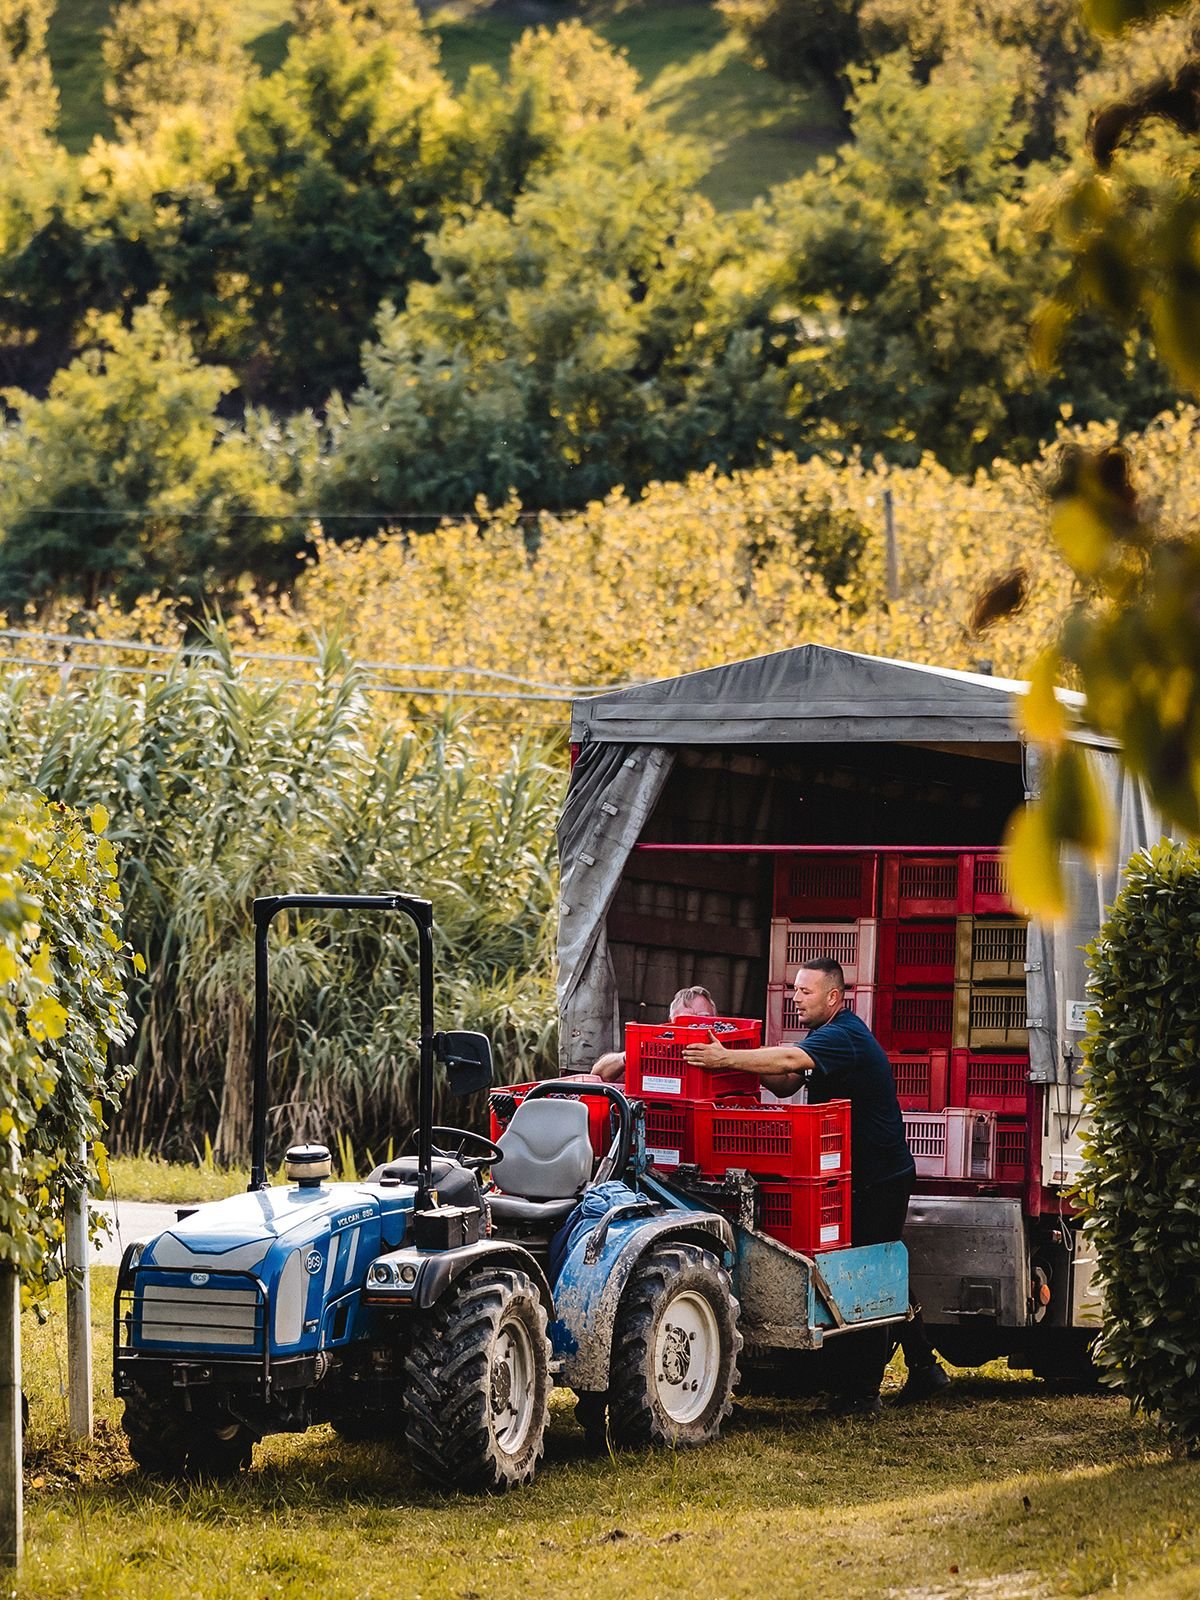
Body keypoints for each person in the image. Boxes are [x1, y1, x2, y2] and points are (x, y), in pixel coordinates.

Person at [682, 957, 950, 1415]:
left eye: (804, 992)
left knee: (865, 1272)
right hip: (857, 1175)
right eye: (794, 991)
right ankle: (926, 1369)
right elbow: (786, 1082)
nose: (795, 999)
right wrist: (740, 1060)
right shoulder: (825, 1036)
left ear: (833, 997)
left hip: (880, 1177)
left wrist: (725, 1057)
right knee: (880, 1267)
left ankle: (861, 1394)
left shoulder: (844, 1034)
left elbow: (788, 1059)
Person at [587, 985, 718, 1083]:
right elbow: (598, 1074)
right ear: (670, 1022)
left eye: (703, 1018)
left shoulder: (724, 1054)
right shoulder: (656, 1050)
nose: (693, 1026)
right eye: (683, 1020)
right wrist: (631, 1055)